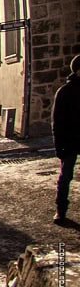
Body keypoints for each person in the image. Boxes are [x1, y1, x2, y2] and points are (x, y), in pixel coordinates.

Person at [52, 55, 80, 225]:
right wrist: (59, 146)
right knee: (66, 177)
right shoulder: (65, 92)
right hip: (70, 141)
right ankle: (60, 210)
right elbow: (57, 121)